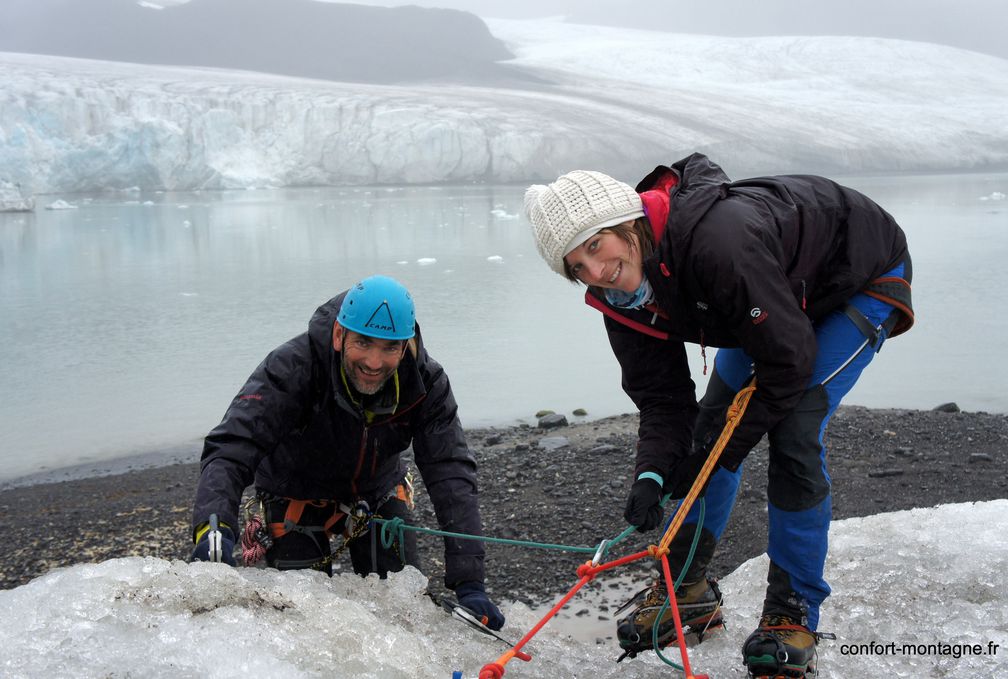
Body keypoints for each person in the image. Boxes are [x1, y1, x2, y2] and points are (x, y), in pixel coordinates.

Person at [524, 154, 913, 677]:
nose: (597, 272)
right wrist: (653, 471)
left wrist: (715, 454)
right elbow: (663, 399)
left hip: (857, 278)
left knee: (793, 429)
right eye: (577, 266)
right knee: (708, 429)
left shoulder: (718, 244)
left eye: (596, 245)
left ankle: (790, 613)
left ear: (625, 223)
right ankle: (687, 591)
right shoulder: (617, 295)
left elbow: (787, 362)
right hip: (771, 299)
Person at [190, 275, 504, 630]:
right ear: (340, 335)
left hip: (377, 492)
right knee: (303, 622)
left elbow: (450, 471)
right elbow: (233, 445)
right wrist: (214, 526)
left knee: (400, 615)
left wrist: (470, 582)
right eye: (364, 342)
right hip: (293, 492)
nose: (374, 361)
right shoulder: (293, 367)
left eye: (389, 347)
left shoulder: (425, 383)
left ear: (405, 346)